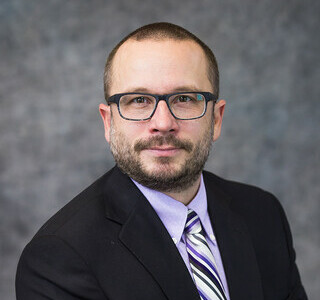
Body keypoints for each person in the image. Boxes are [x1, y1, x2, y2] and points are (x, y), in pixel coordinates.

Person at [16, 22, 307, 300]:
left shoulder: (263, 214)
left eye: (184, 98)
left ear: (217, 118)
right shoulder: (59, 258)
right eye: (139, 100)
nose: (163, 123)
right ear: (108, 122)